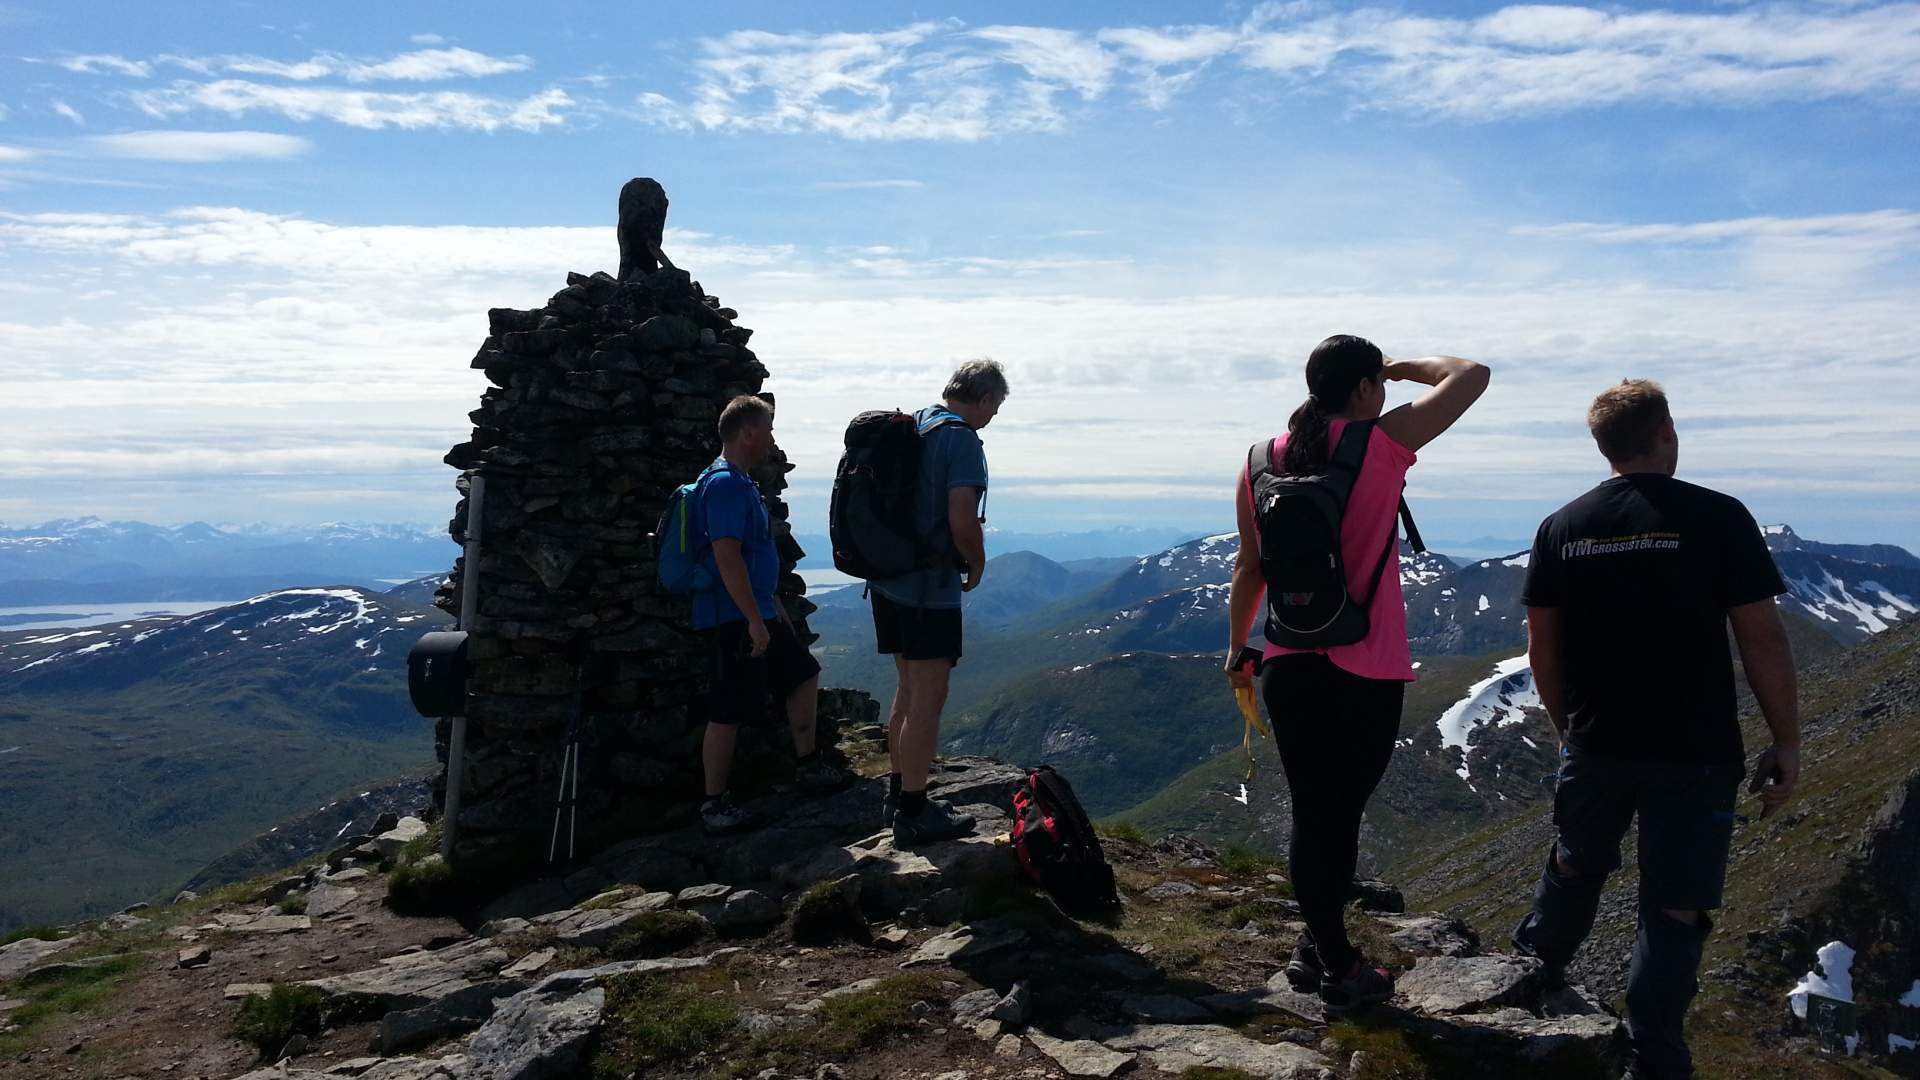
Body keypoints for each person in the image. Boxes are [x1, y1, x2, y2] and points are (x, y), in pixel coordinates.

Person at [1512, 379, 1800, 1080]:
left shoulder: (1562, 526)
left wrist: (1566, 730)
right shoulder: (1719, 516)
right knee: (1675, 907)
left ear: (1603, 445)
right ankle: (1654, 1053)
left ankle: (1525, 979)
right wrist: (1786, 740)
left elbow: (1541, 647)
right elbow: (1760, 637)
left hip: (1597, 742)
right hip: (1695, 750)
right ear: (1665, 434)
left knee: (1576, 863)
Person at [1225, 335, 1489, 1011]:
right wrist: (1401, 367)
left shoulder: (1260, 461)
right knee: (1334, 814)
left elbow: (1250, 568)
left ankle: (1318, 946)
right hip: (1364, 667)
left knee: (1320, 812)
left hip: (1287, 659)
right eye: (1378, 384)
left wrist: (1237, 647)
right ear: (1365, 389)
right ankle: (1334, 962)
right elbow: (1470, 374)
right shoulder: (1381, 444)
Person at [692, 395, 848, 833]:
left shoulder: (741, 483)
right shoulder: (723, 484)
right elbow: (727, 557)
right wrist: (754, 620)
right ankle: (713, 805)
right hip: (732, 616)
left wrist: (771, 610)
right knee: (727, 708)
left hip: (756, 611)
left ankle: (807, 764)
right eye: (769, 429)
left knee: (801, 672)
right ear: (748, 433)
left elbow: (753, 558)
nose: (773, 439)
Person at [870, 359, 1008, 846]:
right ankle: (913, 811)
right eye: (996, 408)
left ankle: (898, 791)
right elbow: (961, 518)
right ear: (986, 398)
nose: (992, 418)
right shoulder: (961, 440)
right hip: (929, 586)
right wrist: (978, 561)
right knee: (930, 697)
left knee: (907, 688)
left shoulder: (918, 423)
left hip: (887, 580)